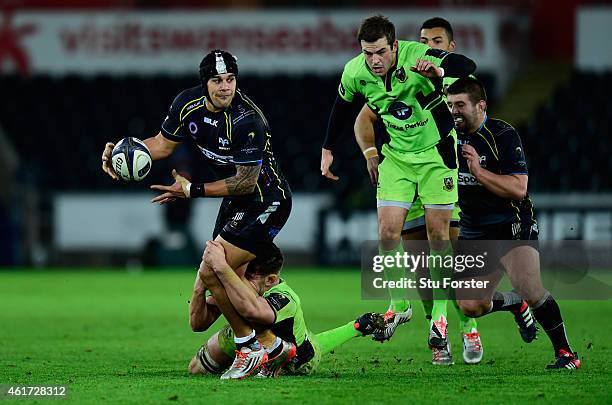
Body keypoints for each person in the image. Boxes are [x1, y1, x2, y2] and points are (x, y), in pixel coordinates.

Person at [101, 49, 293, 378]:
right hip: (236, 203)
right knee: (199, 317)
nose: (225, 87)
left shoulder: (248, 119)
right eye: (217, 80)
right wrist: (126, 151)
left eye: (230, 80)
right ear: (205, 83)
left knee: (210, 268)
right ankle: (272, 345)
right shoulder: (186, 104)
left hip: (266, 200)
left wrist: (192, 190)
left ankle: (250, 349)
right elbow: (162, 144)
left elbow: (246, 183)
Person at [324, 14, 476, 358]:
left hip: (437, 155)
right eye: (367, 53)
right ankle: (400, 304)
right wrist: (327, 149)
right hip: (398, 158)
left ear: (395, 46)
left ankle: (441, 319)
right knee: (387, 233)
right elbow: (342, 108)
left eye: (380, 52)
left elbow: (466, 65)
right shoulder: (355, 72)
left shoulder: (416, 55)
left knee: (439, 237)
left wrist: (438, 72)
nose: (374, 60)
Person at [447, 77, 580, 370]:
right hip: (473, 229)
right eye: (449, 105)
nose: (454, 111)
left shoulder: (503, 134)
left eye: (460, 105)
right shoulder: (446, 136)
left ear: (480, 106)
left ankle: (567, 354)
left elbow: (519, 188)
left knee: (530, 287)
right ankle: (513, 303)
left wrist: (479, 173)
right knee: (470, 305)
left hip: (511, 223)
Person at [188, 241, 385, 378]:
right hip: (246, 333)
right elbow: (197, 324)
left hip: (297, 361)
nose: (235, 281)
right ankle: (359, 325)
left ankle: (357, 326)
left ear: (271, 280)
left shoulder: (285, 298)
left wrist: (222, 269)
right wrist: (200, 287)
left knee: (312, 348)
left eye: (244, 277)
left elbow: (254, 311)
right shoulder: (238, 285)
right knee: (196, 369)